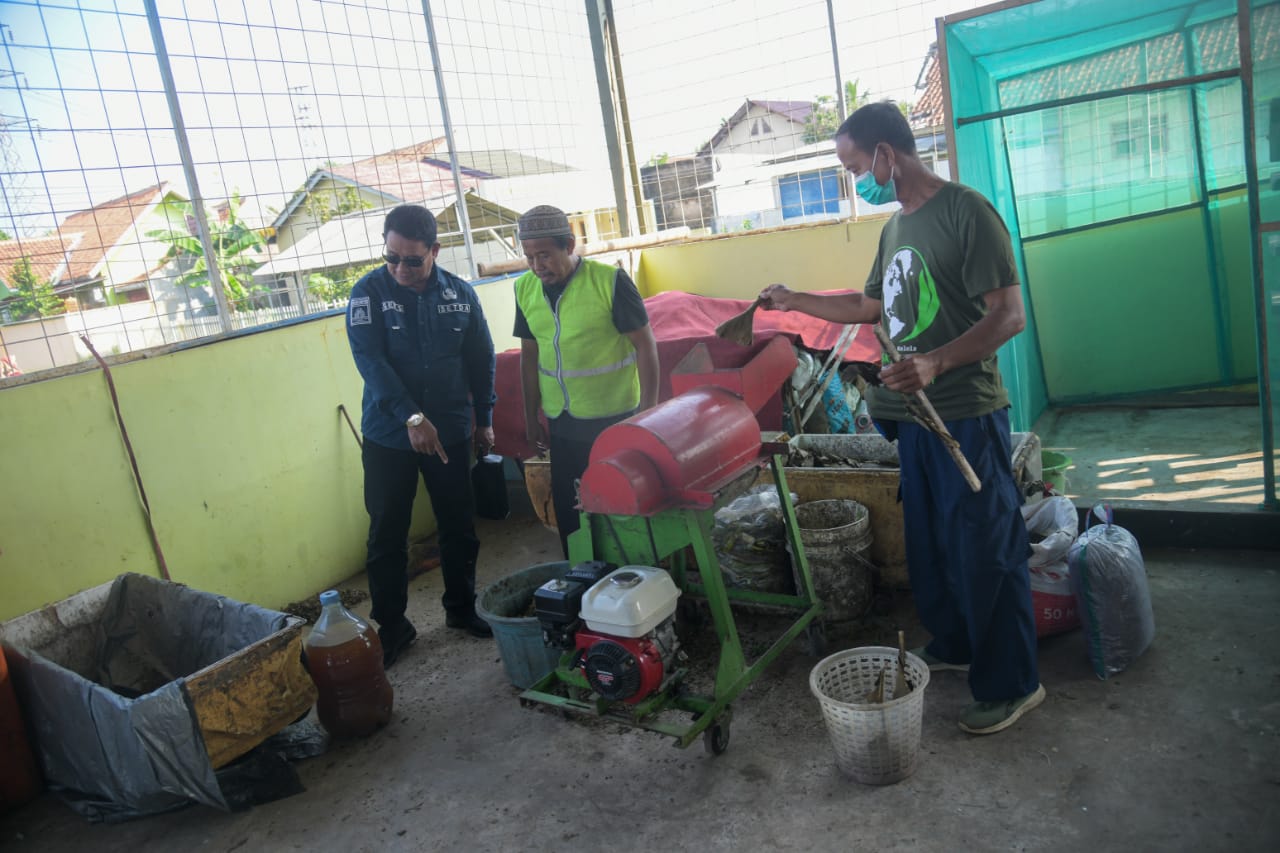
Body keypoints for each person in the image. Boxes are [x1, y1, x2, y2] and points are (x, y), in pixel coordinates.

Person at [759, 102, 1043, 735]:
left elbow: (1009, 316)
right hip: (909, 419)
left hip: (963, 415)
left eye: (856, 165)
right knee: (935, 546)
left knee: (985, 548)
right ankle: (956, 642)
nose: (854, 178)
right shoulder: (895, 228)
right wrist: (795, 300)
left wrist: (937, 363)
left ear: (888, 153)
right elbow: (869, 304)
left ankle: (1012, 683)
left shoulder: (967, 212)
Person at [347, 204, 496, 668]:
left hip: (450, 431)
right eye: (391, 257)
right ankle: (392, 626)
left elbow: (481, 358)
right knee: (386, 533)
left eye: (412, 260)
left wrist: (485, 418)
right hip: (389, 436)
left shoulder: (460, 295)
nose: (400, 269)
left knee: (458, 524)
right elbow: (371, 361)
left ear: (434, 250)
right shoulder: (367, 294)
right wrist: (412, 418)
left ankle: (460, 609)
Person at [513, 205, 660, 557]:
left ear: (570, 245)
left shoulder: (609, 282)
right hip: (562, 422)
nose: (537, 266)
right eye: (529, 256)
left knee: (619, 507)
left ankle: (631, 580)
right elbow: (529, 354)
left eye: (545, 255)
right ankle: (581, 578)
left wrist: (648, 416)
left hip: (614, 420)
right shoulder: (524, 289)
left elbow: (646, 346)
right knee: (572, 511)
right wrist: (530, 414)